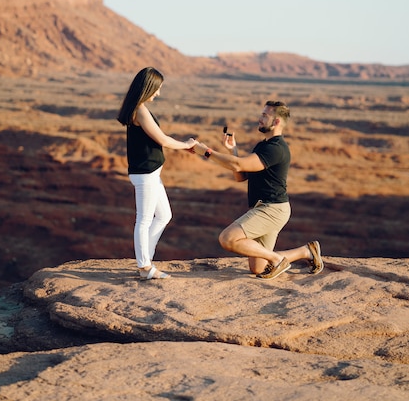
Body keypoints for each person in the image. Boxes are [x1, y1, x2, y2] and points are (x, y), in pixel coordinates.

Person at [192, 100, 323, 280]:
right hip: (266, 208)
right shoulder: (264, 145)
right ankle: (306, 251)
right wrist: (233, 150)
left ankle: (277, 260)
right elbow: (240, 175)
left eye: (264, 115)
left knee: (227, 238)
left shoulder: (276, 148)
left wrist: (206, 152)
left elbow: (238, 165)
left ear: (276, 122)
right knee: (257, 268)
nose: (260, 119)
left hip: (271, 209)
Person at [118, 67, 196, 280]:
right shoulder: (140, 110)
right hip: (146, 175)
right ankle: (144, 267)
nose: (158, 93)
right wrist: (186, 144)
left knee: (164, 215)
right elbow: (162, 139)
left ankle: (146, 258)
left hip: (150, 174)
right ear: (147, 88)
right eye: (157, 89)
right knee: (143, 220)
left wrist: (183, 145)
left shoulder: (139, 108)